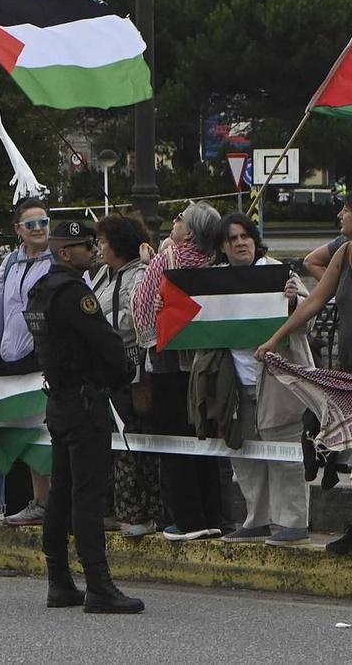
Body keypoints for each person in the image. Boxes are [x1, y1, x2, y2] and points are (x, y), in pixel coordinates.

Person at [258, 190, 352, 556]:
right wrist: (274, 339)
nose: (340, 216)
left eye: (346, 210)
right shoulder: (344, 254)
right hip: (351, 367)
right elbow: (314, 301)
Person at [27, 218, 142, 614]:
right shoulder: (73, 292)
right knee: (87, 495)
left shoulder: (41, 290)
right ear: (64, 252)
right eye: (84, 245)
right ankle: (98, 584)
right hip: (84, 402)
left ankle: (59, 580)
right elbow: (106, 342)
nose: (92, 249)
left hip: (59, 400)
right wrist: (120, 375)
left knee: (61, 492)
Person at [213, 212, 313, 546]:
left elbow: (309, 318)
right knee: (244, 455)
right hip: (236, 383)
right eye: (232, 238)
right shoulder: (214, 281)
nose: (240, 242)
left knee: (285, 452)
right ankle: (256, 519)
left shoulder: (280, 273)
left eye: (245, 236)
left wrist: (293, 300)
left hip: (278, 382)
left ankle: (292, 522)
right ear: (222, 247)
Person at [132, 200, 228, 541]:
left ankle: (186, 518)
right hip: (205, 365)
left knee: (173, 440)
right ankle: (214, 513)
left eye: (180, 218)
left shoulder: (167, 259)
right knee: (204, 439)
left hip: (169, 362)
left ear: (191, 231)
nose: (175, 221)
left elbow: (141, 305)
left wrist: (148, 266)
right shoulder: (216, 263)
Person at [0, 198, 55, 525]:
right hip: (10, 358)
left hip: (41, 358)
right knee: (23, 433)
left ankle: (50, 502)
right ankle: (34, 500)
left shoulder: (56, 262)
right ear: (18, 229)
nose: (38, 230)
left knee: (46, 433)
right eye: (30, 224)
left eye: (43, 222)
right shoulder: (9, 264)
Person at [87, 214, 159, 538]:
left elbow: (135, 319)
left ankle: (137, 511)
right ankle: (112, 507)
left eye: (103, 242)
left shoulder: (139, 274)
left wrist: (100, 328)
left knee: (132, 441)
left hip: (132, 370)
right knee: (110, 444)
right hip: (105, 370)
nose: (99, 247)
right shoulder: (104, 275)